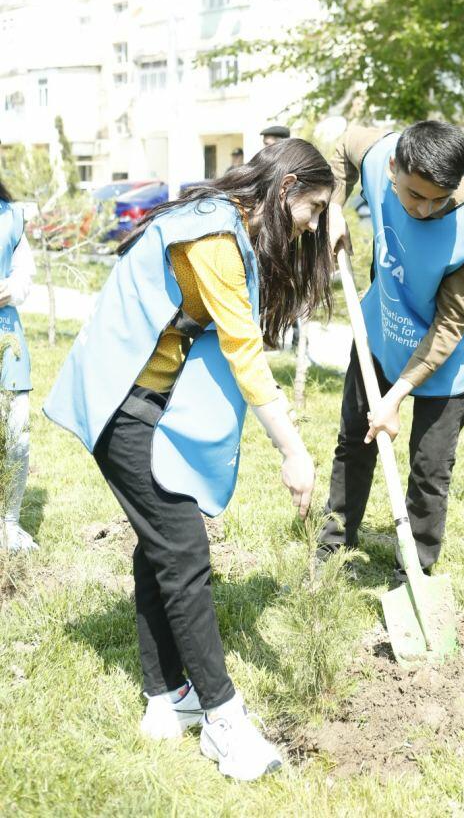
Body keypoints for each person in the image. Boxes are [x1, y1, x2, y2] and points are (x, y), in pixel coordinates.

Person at [44, 140, 334, 782]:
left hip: (150, 398)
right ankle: (225, 722)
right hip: (122, 400)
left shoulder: (227, 220)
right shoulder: (214, 237)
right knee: (183, 550)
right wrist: (293, 450)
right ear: (286, 189)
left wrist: (334, 215)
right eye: (312, 209)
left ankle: (167, 696)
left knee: (162, 544)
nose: (313, 225)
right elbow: (244, 352)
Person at [319, 120, 464, 583]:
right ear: (392, 169)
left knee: (430, 469)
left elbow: (449, 326)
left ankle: (413, 574)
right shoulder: (379, 155)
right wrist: (335, 207)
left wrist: (396, 396)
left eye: (438, 200)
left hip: (444, 355)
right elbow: (343, 146)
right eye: (415, 195)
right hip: (383, 328)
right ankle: (331, 548)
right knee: (354, 442)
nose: (425, 209)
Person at [0, 180, 36, 552]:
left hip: (6, 339)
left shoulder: (11, 217)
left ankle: (9, 525)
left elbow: (25, 275)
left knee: (16, 437)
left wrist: (10, 289)